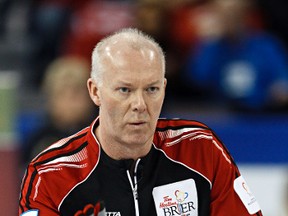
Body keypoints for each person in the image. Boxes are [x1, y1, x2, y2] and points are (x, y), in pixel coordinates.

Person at [19, 28, 263, 216]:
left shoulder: (200, 148)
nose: (140, 104)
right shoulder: (51, 174)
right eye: (125, 90)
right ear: (95, 92)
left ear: (164, 89)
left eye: (152, 89)